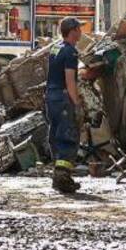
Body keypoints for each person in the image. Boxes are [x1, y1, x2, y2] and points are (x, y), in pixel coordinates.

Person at [45, 17, 84, 194]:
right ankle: (62, 178)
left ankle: (59, 176)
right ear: (73, 30)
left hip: (50, 97)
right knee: (68, 136)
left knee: (55, 134)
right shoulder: (71, 52)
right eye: (79, 28)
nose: (81, 32)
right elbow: (70, 81)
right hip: (62, 98)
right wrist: (76, 104)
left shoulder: (55, 47)